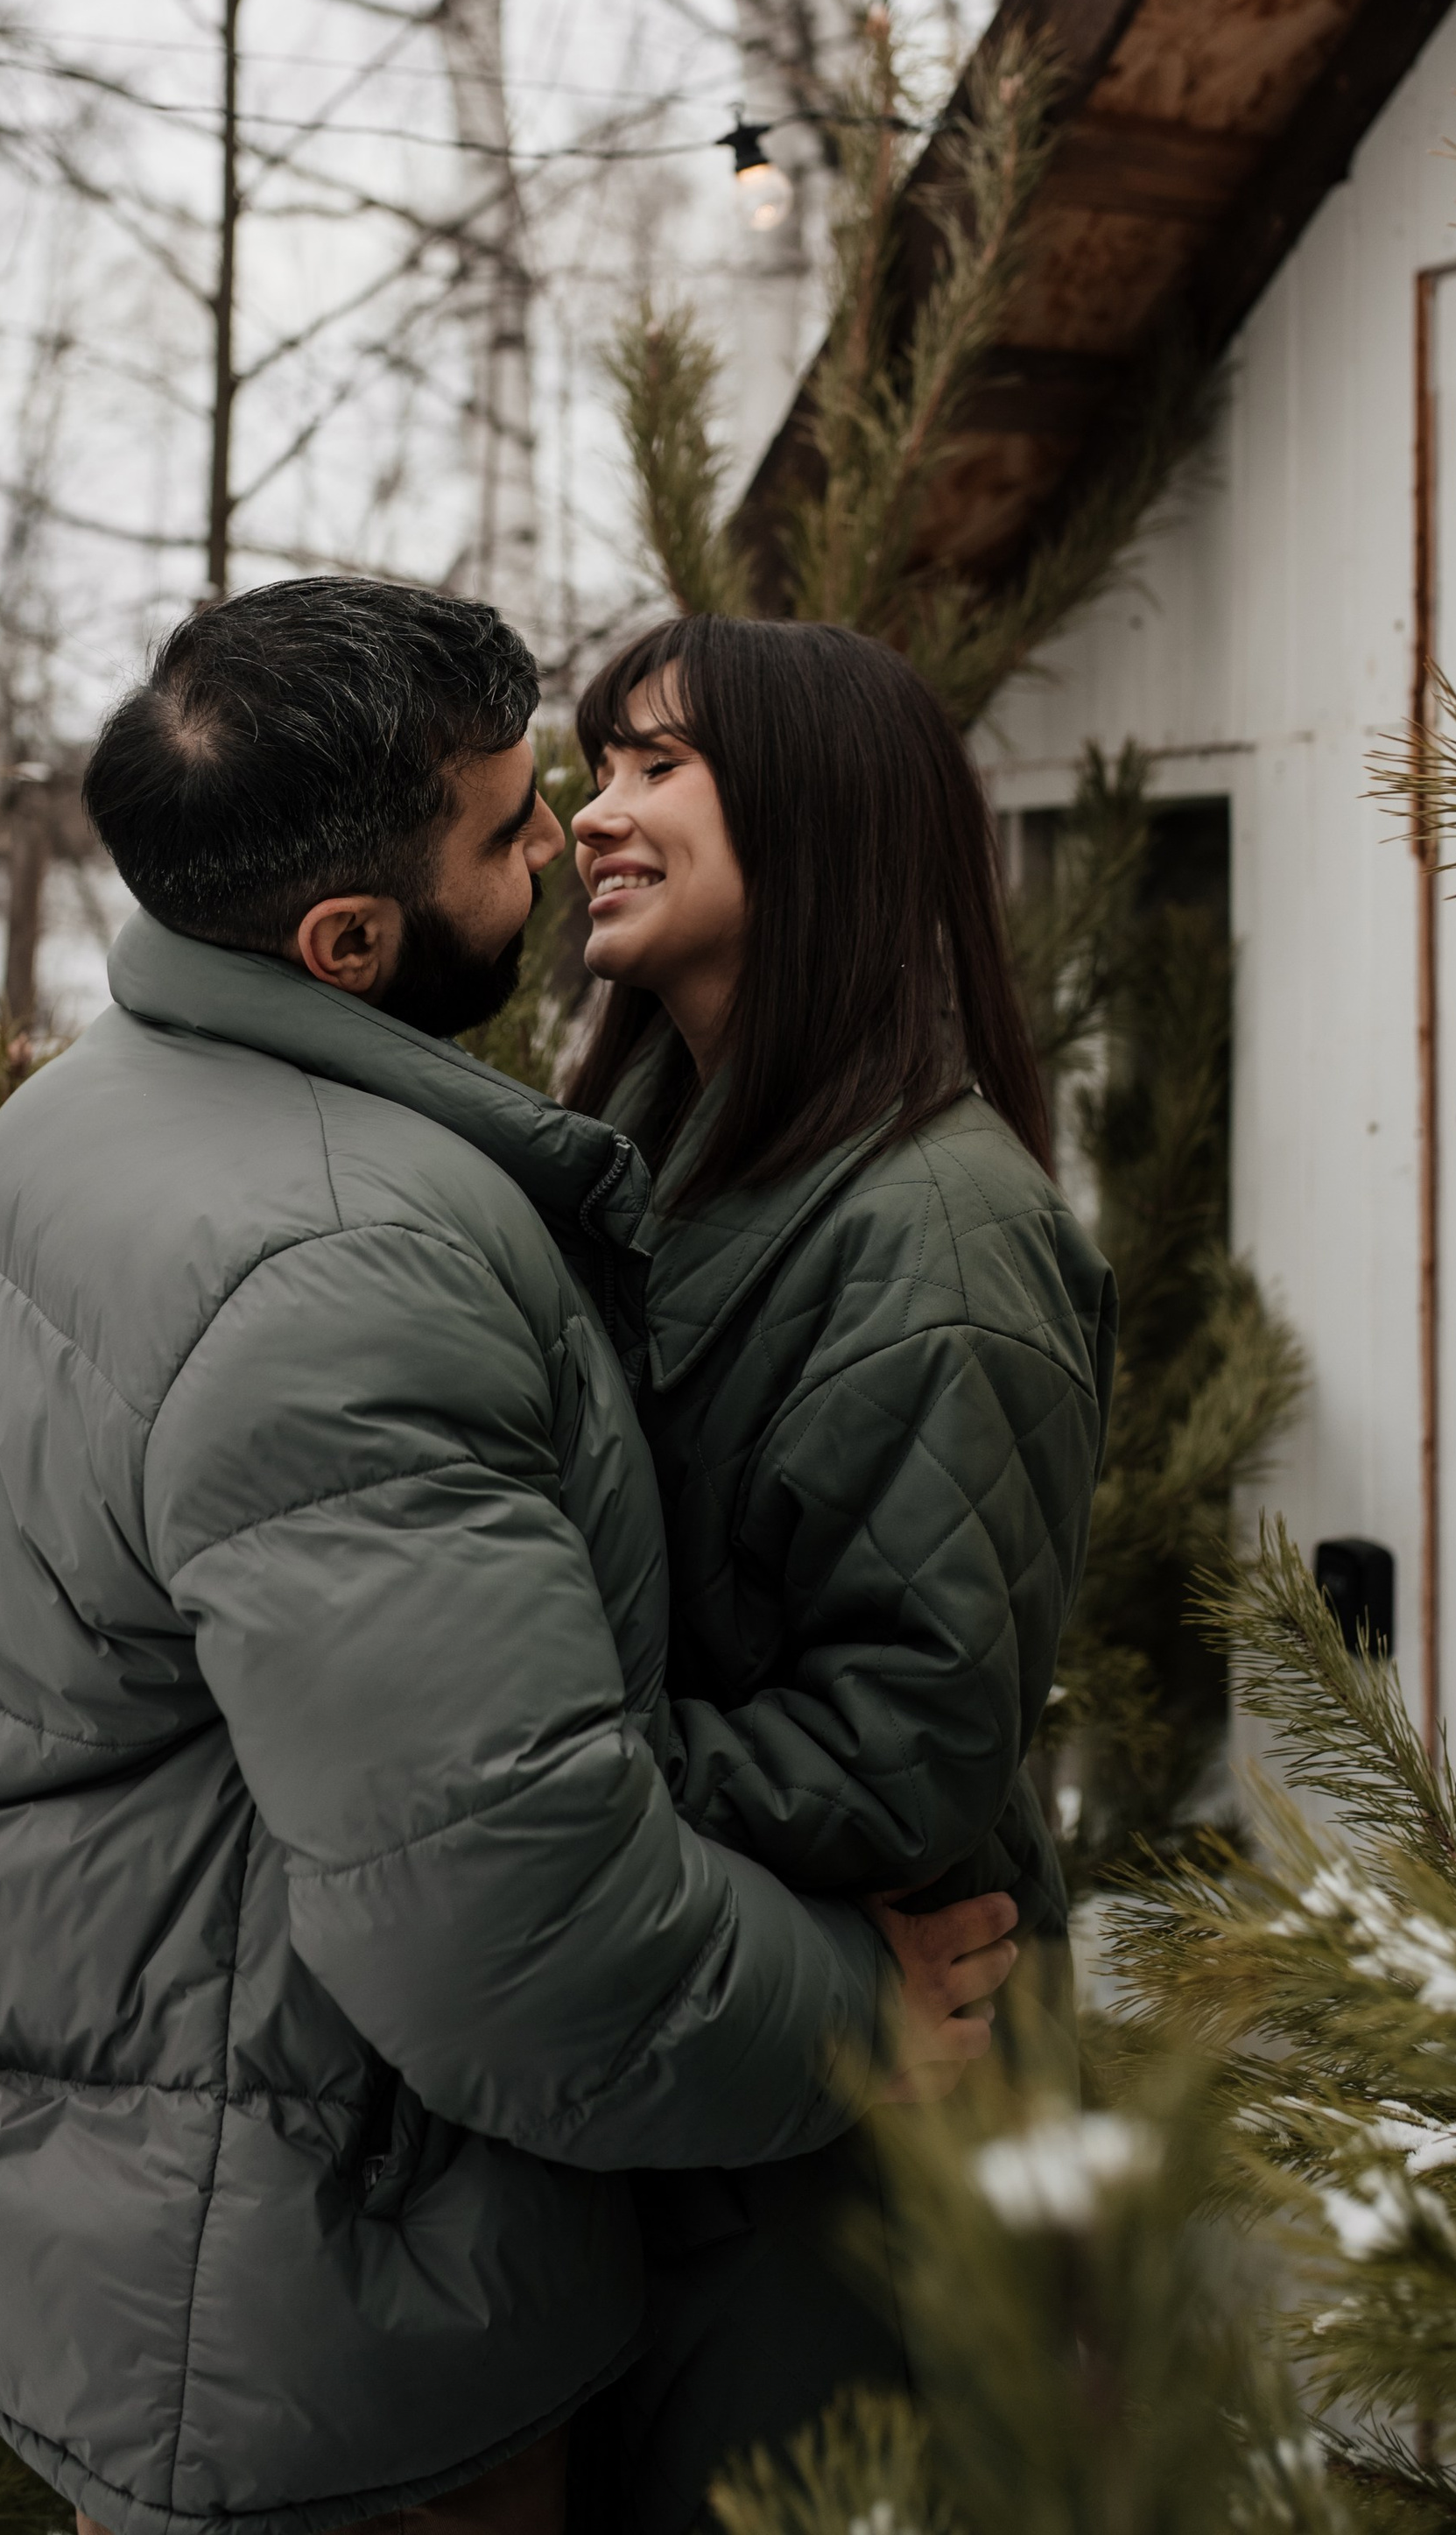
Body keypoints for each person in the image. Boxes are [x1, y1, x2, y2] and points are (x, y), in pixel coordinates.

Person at [0, 578, 1018, 2535]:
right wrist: (861, 2021)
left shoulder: (106, 1109)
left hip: (89, 2183)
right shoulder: (339, 1262)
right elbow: (506, 1915)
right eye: (508, 820)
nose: (562, 834)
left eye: (620, 772)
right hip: (290, 2279)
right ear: (348, 937)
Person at [561, 611, 1115, 2535]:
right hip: (720, 2069)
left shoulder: (935, 1242)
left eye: (652, 765)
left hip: (870, 2126)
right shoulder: (639, 1155)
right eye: (595, 765)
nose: (590, 813)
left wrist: (540, 1775)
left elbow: (906, 1740)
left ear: (811, 817)